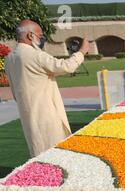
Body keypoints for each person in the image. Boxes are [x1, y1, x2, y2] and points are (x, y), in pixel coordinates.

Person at [5, 20, 89, 157]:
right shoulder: (35, 55)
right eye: (40, 35)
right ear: (30, 36)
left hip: (28, 116)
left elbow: (15, 92)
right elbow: (66, 66)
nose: (42, 39)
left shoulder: (9, 59)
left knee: (39, 152)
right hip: (47, 115)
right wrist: (82, 52)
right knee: (56, 154)